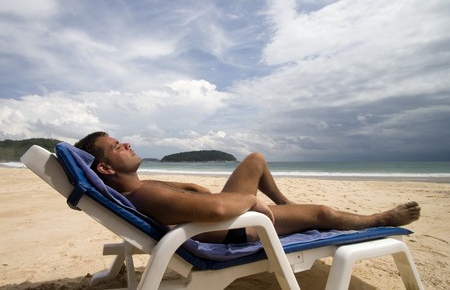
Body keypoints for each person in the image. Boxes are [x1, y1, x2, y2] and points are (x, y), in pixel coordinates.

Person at [74, 131, 421, 244]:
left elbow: (198, 193)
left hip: (225, 216)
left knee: (254, 159)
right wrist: (250, 202)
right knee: (323, 212)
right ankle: (376, 219)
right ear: (104, 167)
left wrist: (190, 186)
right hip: (232, 230)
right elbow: (217, 210)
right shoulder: (144, 193)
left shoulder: (142, 186)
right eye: (117, 147)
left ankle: (287, 205)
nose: (127, 145)